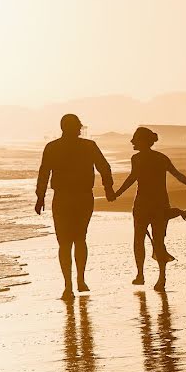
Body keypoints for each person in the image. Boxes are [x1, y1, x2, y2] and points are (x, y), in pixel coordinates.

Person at [111, 127, 186, 291]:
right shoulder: (161, 158)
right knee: (158, 241)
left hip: (143, 204)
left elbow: (132, 179)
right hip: (159, 204)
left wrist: (116, 194)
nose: (132, 142)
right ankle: (161, 278)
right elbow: (178, 175)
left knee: (139, 240)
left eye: (135, 139)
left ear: (143, 141)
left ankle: (140, 275)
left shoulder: (137, 159)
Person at [36, 114, 115, 299]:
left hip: (62, 198)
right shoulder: (89, 146)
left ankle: (68, 286)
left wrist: (40, 197)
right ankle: (80, 279)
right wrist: (108, 189)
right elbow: (104, 167)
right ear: (77, 127)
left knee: (64, 243)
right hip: (83, 197)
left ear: (62, 127)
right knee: (80, 238)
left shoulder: (52, 147)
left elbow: (44, 173)